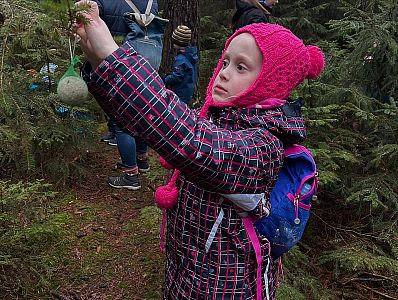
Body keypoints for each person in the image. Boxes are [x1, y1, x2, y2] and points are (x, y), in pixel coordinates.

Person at [75, 1, 325, 298]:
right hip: (187, 276)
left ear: (270, 80)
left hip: (225, 289)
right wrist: (97, 60)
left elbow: (187, 138)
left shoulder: (264, 147)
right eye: (225, 62)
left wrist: (111, 53)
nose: (223, 73)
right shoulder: (218, 119)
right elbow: (147, 120)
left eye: (241, 67)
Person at [92, 0, 158, 190]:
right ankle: (141, 159)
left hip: (120, 64)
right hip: (148, 63)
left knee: (122, 122)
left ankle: (131, 174)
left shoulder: (105, 2)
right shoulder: (151, 1)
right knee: (142, 114)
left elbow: (95, 27)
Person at [164, 25, 199, 106]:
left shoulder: (181, 59)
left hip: (179, 94)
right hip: (187, 93)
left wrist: (165, 79)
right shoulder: (191, 55)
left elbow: (177, 76)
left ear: (178, 42)